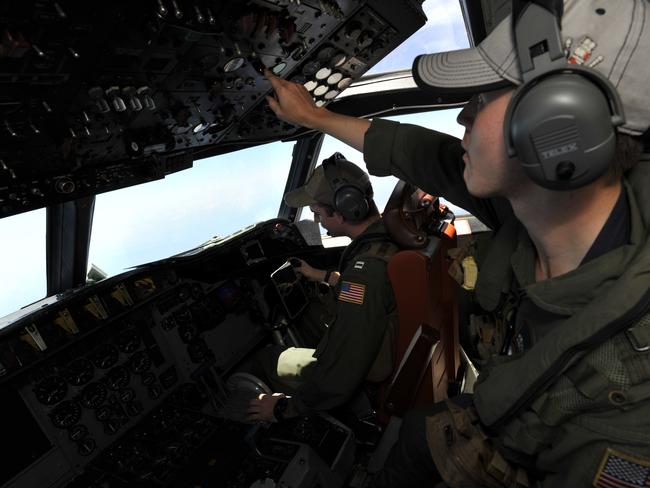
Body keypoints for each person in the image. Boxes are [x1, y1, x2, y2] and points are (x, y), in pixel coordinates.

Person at [262, 0, 650, 485]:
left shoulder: (630, 408)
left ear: (558, 131)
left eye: (485, 97)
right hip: (491, 407)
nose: (464, 115)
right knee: (420, 433)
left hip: (515, 443)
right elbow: (424, 155)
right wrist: (317, 117)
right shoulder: (536, 212)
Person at [247, 153, 399, 423]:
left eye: (317, 213)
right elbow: (375, 297)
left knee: (266, 359)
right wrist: (322, 275)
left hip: (367, 381)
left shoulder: (365, 271)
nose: (317, 222)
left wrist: (285, 408)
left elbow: (342, 371)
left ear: (345, 209)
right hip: (388, 348)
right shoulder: (386, 240)